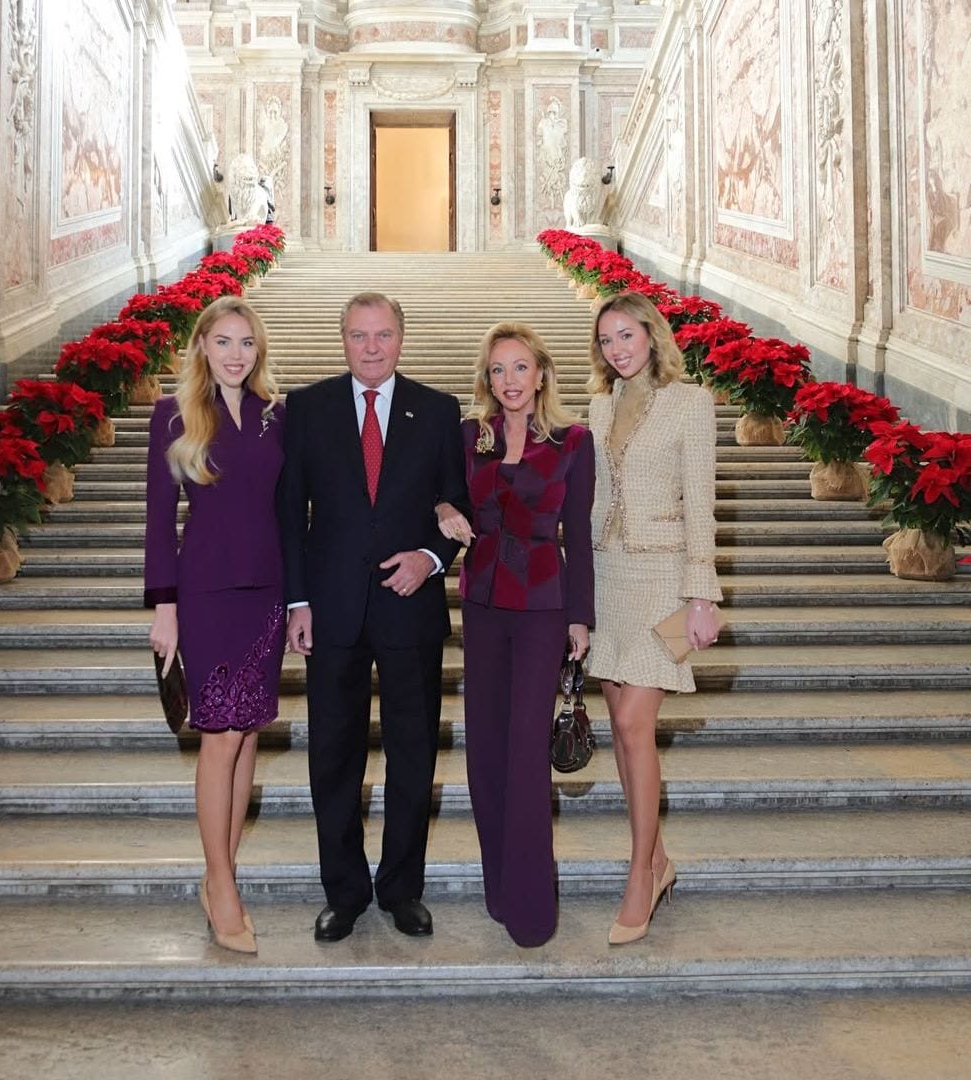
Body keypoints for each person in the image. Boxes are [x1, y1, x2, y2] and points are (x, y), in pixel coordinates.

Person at [279, 291, 470, 943]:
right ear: (342, 340)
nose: (371, 346)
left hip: (410, 610)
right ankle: (345, 892)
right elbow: (289, 516)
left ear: (400, 339)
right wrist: (296, 601)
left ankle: (401, 889)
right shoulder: (305, 410)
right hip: (330, 612)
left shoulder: (440, 412)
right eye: (359, 335)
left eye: (383, 334)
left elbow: (460, 509)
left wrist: (429, 556)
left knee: (413, 754)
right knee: (333, 755)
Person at [435, 322, 595, 947]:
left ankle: (533, 903)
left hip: (541, 608)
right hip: (480, 604)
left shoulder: (573, 441)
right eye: (498, 370)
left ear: (542, 374)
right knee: (485, 753)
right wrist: (442, 508)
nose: (509, 381)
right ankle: (498, 887)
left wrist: (579, 616)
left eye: (520, 367)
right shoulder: (468, 438)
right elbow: (437, 493)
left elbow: (577, 535)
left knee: (527, 754)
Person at [145, 295, 286, 955]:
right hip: (204, 593)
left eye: (247, 344)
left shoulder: (275, 418)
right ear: (202, 346)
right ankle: (222, 881)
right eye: (224, 342)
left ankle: (220, 873)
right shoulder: (172, 415)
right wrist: (164, 607)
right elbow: (156, 521)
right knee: (219, 735)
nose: (236, 354)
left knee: (250, 729)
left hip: (267, 594)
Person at [586, 292, 723, 945]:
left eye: (627, 335)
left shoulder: (691, 404)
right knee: (619, 725)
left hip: (664, 582)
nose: (618, 348)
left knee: (636, 725)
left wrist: (704, 595)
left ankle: (640, 874)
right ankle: (660, 858)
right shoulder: (595, 407)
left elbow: (702, 505)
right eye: (607, 340)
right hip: (607, 580)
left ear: (651, 335)